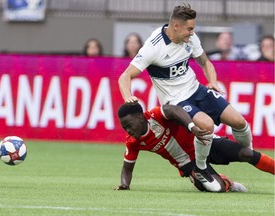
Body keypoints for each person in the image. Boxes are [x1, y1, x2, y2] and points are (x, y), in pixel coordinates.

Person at [118, 4, 253, 190]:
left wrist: (212, 81)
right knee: (206, 125)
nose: (192, 33)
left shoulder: (190, 37)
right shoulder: (153, 48)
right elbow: (125, 76)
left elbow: (204, 61)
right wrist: (128, 96)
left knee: (239, 122)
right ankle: (201, 167)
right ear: (175, 26)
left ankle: (249, 152)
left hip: (197, 90)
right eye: (189, 29)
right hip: (177, 101)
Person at [115, 103, 275, 192]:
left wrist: (191, 126)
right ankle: (228, 184)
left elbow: (174, 110)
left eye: (129, 125)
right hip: (189, 165)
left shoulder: (155, 116)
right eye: (124, 128)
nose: (128, 130)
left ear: (140, 118)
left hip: (205, 142)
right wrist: (125, 184)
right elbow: (127, 168)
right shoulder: (132, 142)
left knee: (247, 153)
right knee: (216, 189)